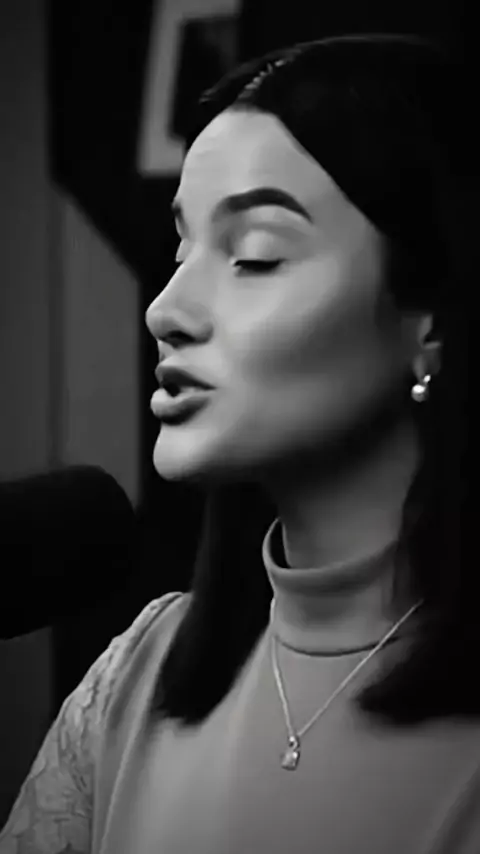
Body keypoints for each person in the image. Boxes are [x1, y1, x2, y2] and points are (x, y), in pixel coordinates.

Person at [0, 32, 475, 854]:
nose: (166, 309)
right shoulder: (131, 682)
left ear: (428, 321)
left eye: (253, 257)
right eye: (181, 248)